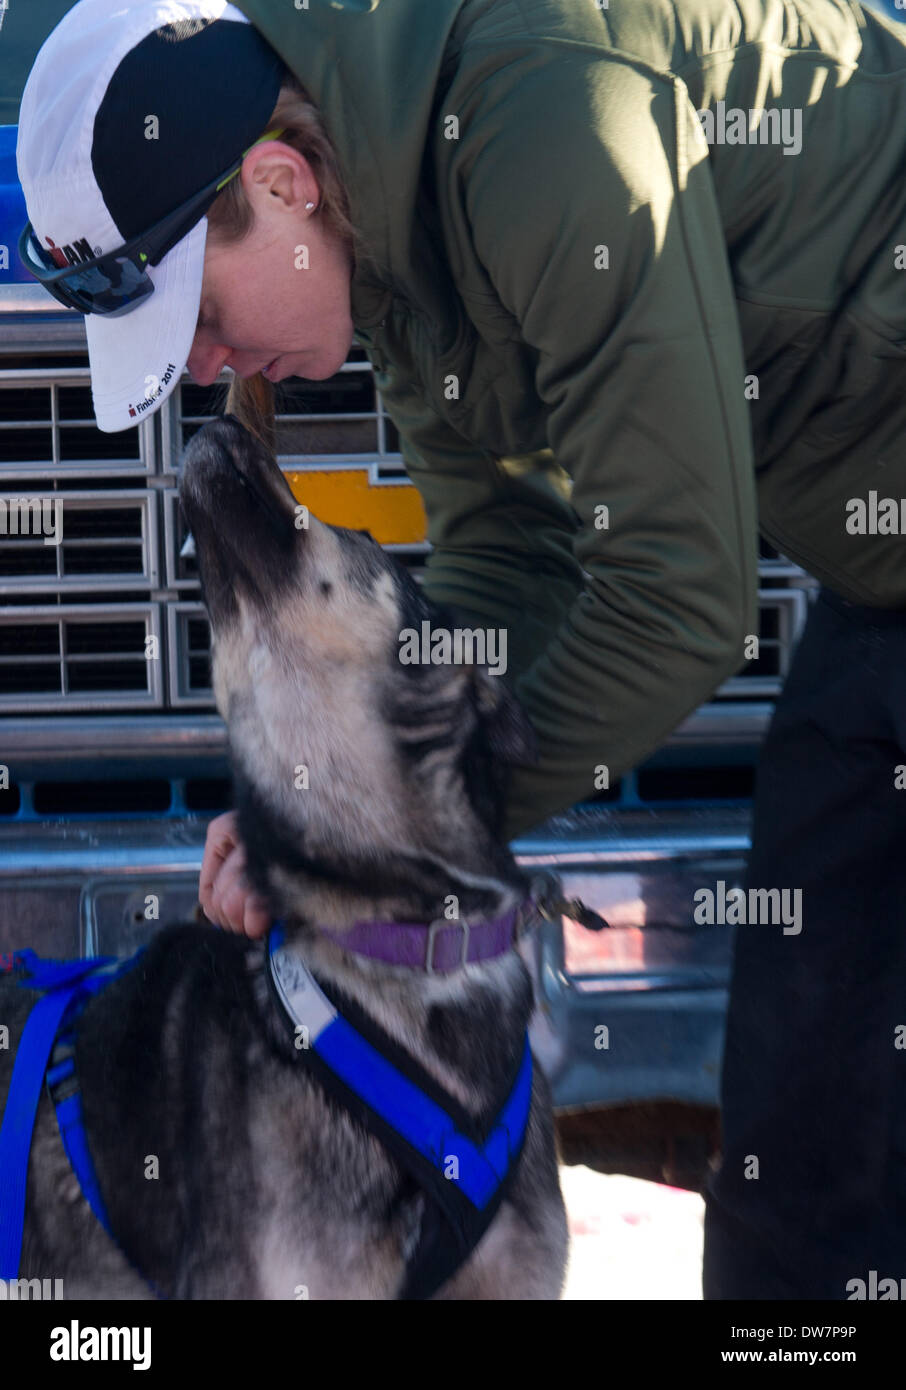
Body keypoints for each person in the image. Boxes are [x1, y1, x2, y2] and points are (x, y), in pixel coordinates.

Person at [15, 0, 906, 1301]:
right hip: (874, 586)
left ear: (278, 179)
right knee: (803, 1167)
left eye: (197, 317)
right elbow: (506, 556)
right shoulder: (388, 223)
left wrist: (365, 845)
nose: (207, 370)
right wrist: (325, 805)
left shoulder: (538, 120)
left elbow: (677, 592)